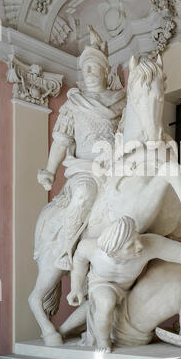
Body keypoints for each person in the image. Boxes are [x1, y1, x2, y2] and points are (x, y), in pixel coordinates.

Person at [37, 26, 126, 271]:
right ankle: (67, 250)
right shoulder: (73, 103)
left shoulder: (120, 102)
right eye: (85, 67)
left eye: (93, 67)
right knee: (84, 194)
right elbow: (62, 140)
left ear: (105, 71)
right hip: (84, 170)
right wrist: (49, 171)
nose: (88, 72)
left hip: (114, 167)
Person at [67, 216, 181, 352]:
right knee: (106, 303)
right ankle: (102, 342)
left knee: (103, 308)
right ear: (113, 253)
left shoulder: (149, 244)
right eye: (131, 245)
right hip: (102, 284)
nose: (139, 246)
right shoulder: (90, 248)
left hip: (129, 287)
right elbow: (79, 262)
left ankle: (68, 330)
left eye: (137, 238)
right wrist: (75, 288)